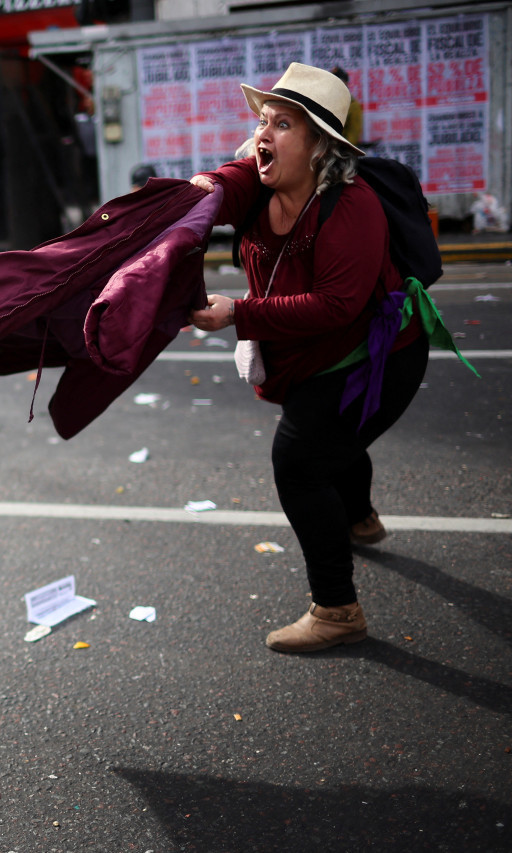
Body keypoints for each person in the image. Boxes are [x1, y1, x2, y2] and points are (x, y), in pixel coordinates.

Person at [188, 63, 430, 653]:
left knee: (299, 459)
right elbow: (229, 184)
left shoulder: (352, 205)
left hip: (379, 356)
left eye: (284, 124)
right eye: (263, 122)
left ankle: (337, 610)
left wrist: (239, 314)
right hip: (309, 358)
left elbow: (336, 306)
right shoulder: (259, 183)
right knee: (333, 446)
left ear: (321, 146)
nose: (263, 135)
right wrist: (205, 186)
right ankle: (360, 521)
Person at [330, 67, 362, 146]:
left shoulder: (353, 105)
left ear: (345, 83)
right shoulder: (326, 102)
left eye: (339, 82)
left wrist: (342, 151)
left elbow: (353, 134)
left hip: (342, 152)